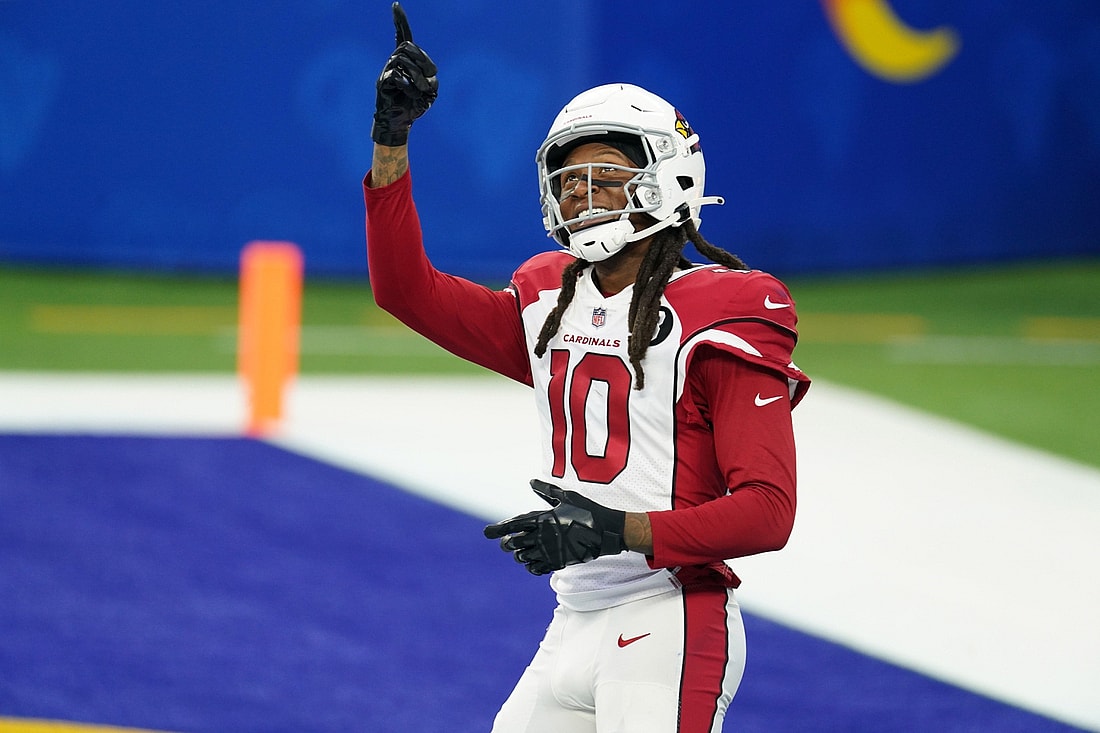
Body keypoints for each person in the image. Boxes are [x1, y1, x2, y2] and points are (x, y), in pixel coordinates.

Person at [364, 4, 810, 731]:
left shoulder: (723, 306)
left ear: (666, 180)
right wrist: (393, 138)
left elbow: (769, 510)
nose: (580, 193)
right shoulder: (551, 296)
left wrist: (617, 531)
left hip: (669, 614)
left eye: (604, 176)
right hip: (572, 618)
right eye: (569, 181)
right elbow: (405, 290)